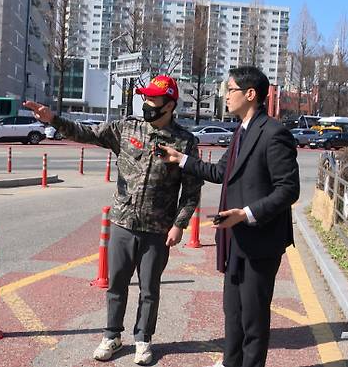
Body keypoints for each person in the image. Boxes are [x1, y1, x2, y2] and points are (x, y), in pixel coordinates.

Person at [23, 75, 203, 365]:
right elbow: (86, 133)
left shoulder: (185, 142)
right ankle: (112, 336)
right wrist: (53, 118)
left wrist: (179, 224)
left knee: (149, 290)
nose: (146, 104)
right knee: (116, 285)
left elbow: (192, 190)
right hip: (122, 223)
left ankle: (143, 339)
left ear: (169, 105)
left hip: (157, 230)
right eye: (144, 98)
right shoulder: (126, 127)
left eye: (153, 100)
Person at [159, 66, 300, 367]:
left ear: (250, 94)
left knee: (253, 316)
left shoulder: (274, 134)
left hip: (260, 240)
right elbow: (221, 172)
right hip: (235, 237)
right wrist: (181, 159)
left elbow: (288, 190)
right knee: (232, 310)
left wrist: (246, 214)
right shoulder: (242, 130)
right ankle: (230, 362)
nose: (225, 96)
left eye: (230, 90)